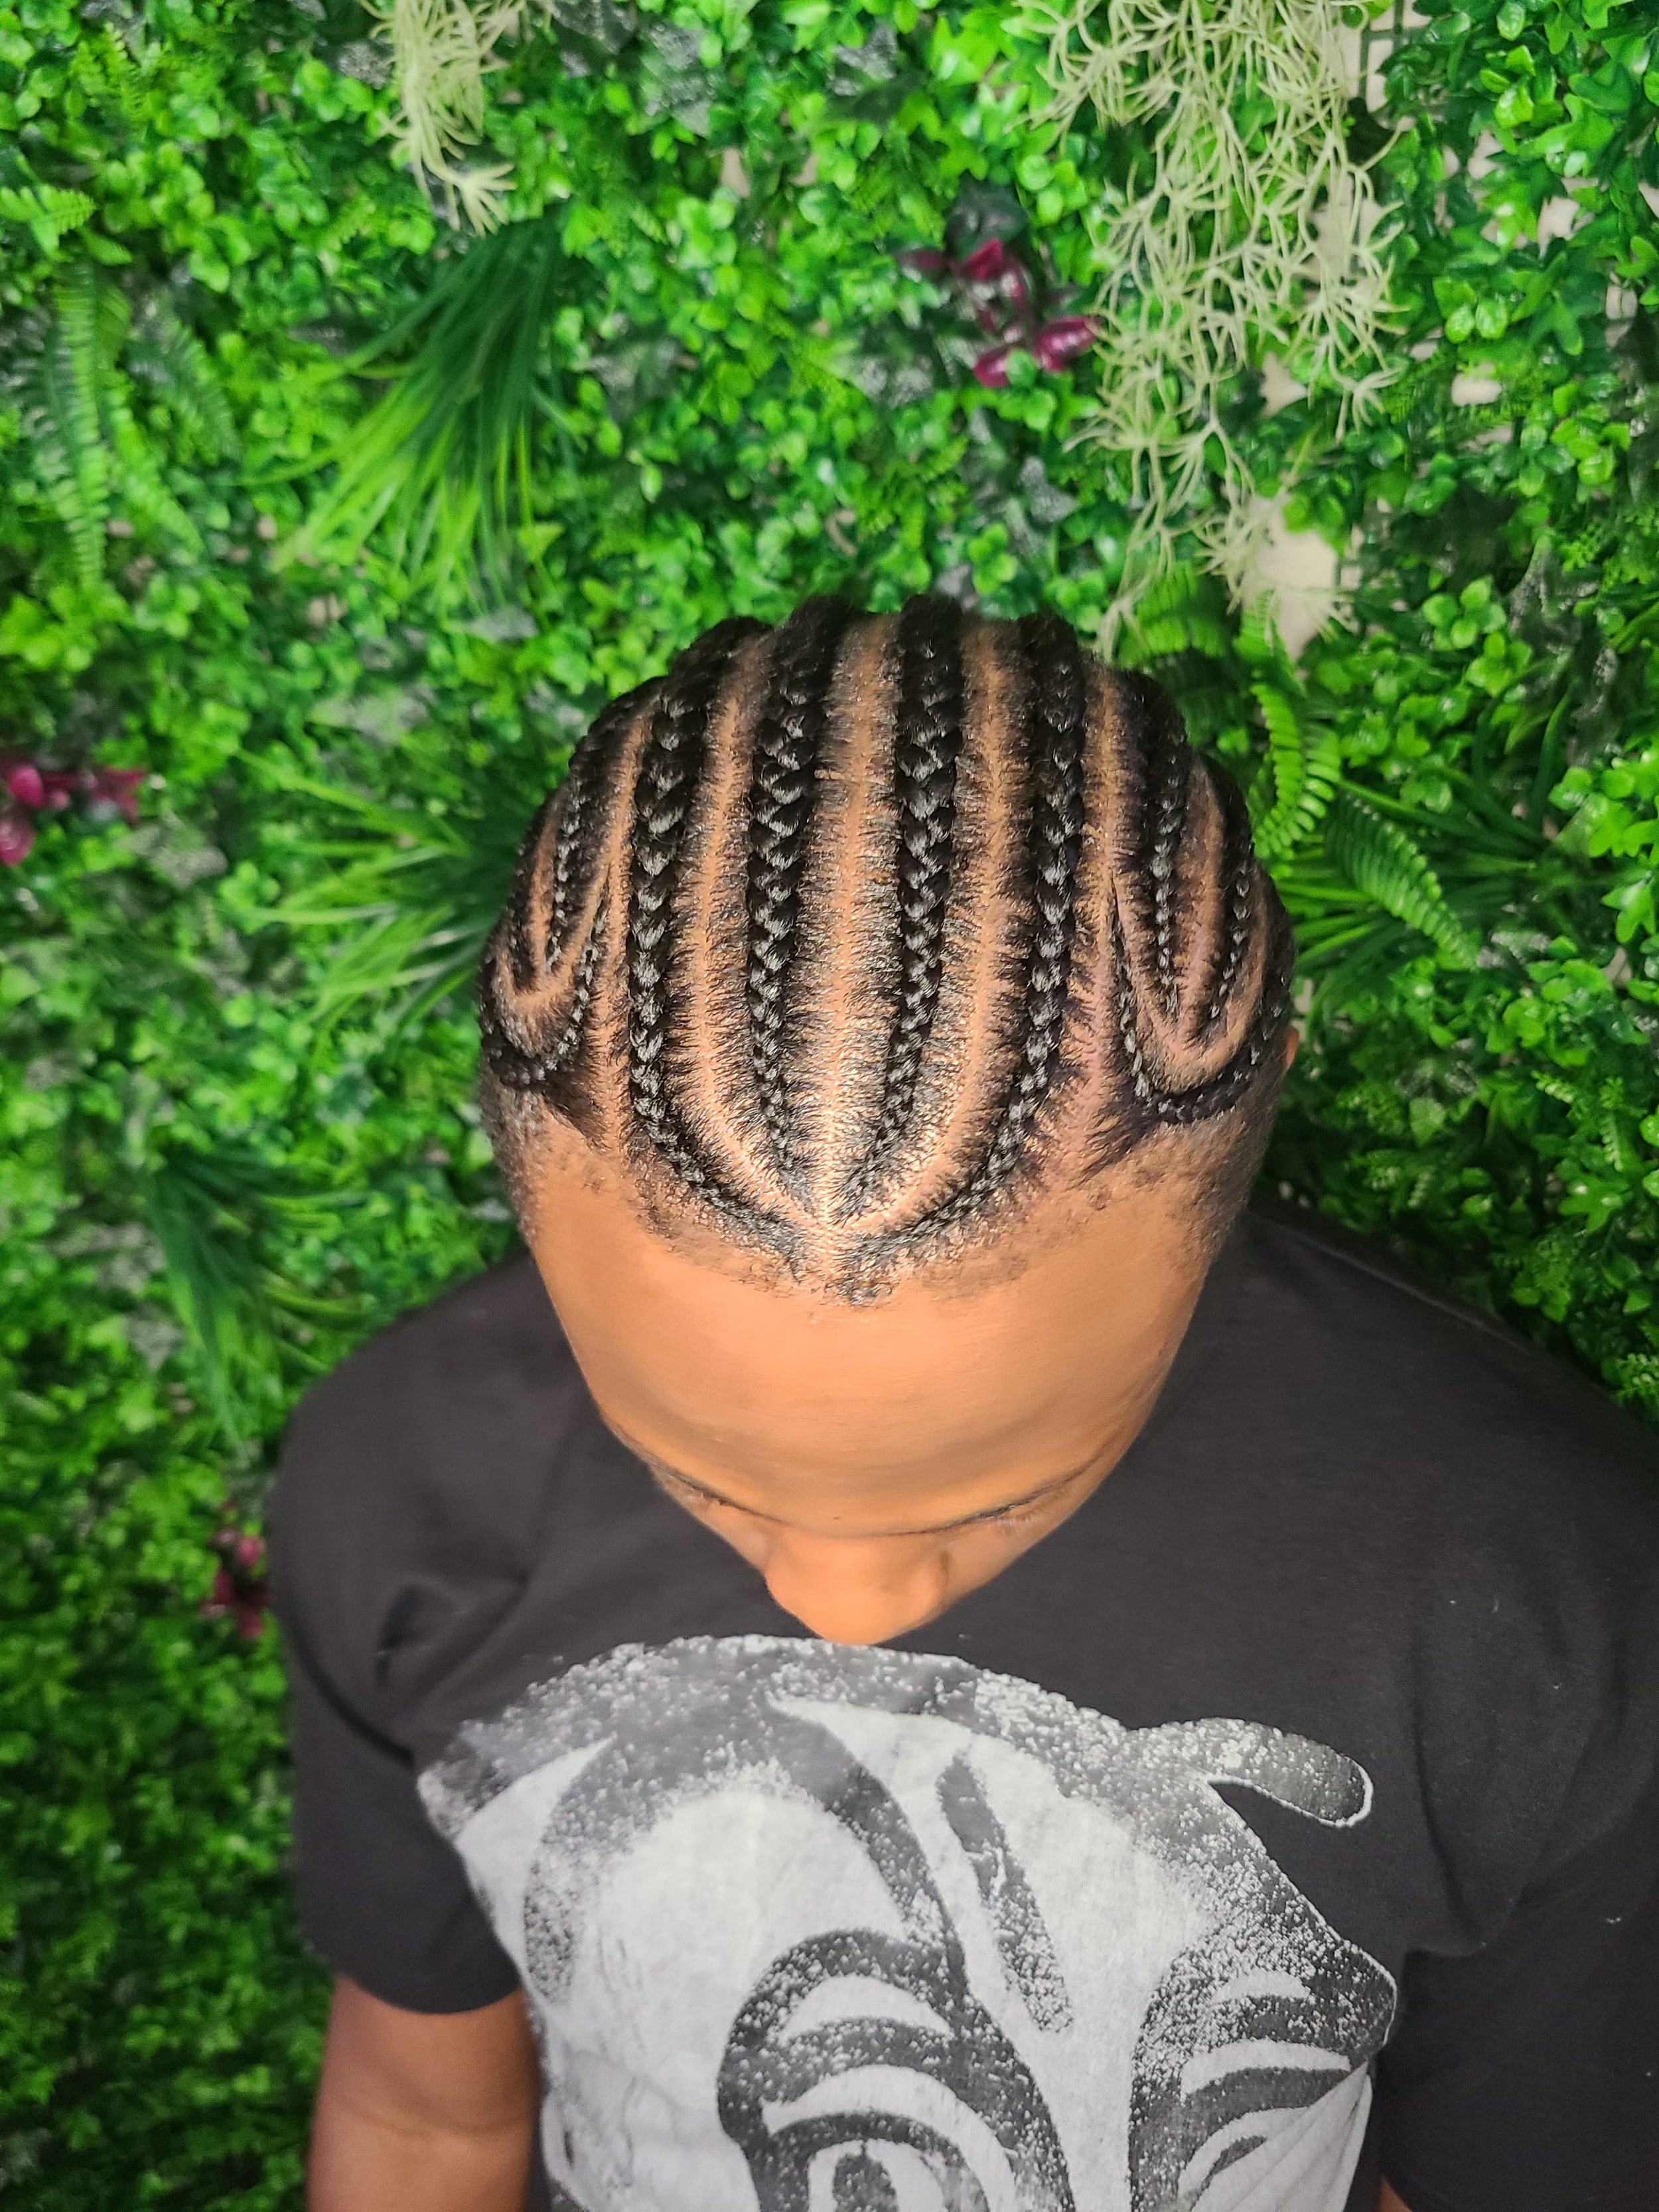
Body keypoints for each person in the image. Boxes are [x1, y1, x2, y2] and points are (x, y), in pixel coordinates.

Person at [271, 598, 1659, 2212]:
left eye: (1005, 1491)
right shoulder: (406, 1478)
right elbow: (426, 2119)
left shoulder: (1537, 1610)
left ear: (1245, 1135)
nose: (841, 1609)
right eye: (695, 1474)